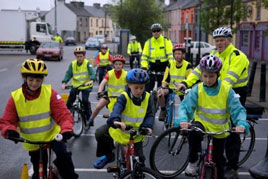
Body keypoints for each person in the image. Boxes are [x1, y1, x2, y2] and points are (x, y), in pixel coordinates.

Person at [177, 27, 249, 178]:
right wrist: (186, 82)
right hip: (215, 89)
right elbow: (198, 71)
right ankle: (194, 161)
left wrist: (219, 91)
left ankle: (232, 165)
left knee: (232, 132)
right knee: (195, 131)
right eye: (217, 40)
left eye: (222, 40)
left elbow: (230, 79)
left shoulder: (237, 56)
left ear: (229, 40)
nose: (219, 43)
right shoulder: (213, 55)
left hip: (234, 92)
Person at [0, 59, 79, 179]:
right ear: (25, 78)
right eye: (31, 80)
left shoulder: (50, 93)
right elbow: (7, 121)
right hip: (33, 141)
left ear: (42, 80)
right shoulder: (15, 98)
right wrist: (9, 130)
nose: (34, 84)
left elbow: (63, 114)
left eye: (38, 80)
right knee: (38, 172)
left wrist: (67, 129)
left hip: (54, 136)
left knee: (64, 158)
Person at [93, 69, 154, 169]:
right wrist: (116, 120)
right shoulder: (123, 97)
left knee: (140, 161)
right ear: (129, 85)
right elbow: (117, 109)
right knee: (100, 133)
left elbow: (150, 115)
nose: (139, 91)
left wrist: (147, 126)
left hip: (137, 133)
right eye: (136, 88)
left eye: (142, 88)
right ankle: (109, 155)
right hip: (121, 129)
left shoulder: (148, 97)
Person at [62, 46, 96, 126]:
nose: (79, 58)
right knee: (70, 101)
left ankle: (89, 119)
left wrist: (91, 80)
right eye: (78, 57)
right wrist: (64, 82)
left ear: (84, 56)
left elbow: (92, 73)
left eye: (81, 56)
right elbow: (68, 73)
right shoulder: (73, 64)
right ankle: (65, 117)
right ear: (75, 56)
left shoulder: (87, 63)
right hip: (76, 86)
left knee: (85, 101)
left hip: (85, 86)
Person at [89, 54, 127, 126]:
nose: (118, 65)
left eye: (120, 64)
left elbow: (130, 85)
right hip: (110, 95)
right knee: (98, 107)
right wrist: (100, 91)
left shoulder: (126, 74)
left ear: (123, 65)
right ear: (113, 65)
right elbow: (103, 82)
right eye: (116, 64)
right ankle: (91, 119)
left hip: (121, 98)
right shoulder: (109, 73)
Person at [157, 43, 192, 121]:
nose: (177, 56)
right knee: (159, 93)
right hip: (171, 88)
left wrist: (185, 87)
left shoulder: (187, 65)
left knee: (188, 103)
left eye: (179, 54)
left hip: (182, 89)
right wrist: (163, 85)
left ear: (183, 55)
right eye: (175, 54)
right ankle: (163, 110)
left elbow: (189, 79)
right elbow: (165, 79)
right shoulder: (170, 64)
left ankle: (187, 118)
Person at [141, 23, 173, 92]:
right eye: (154, 31)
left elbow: (170, 55)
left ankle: (163, 102)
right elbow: (144, 57)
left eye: (158, 31)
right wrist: (144, 67)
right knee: (147, 89)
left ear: (160, 31)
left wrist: (172, 66)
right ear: (152, 32)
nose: (156, 32)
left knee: (162, 90)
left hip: (163, 67)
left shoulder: (166, 41)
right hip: (152, 67)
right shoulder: (148, 42)